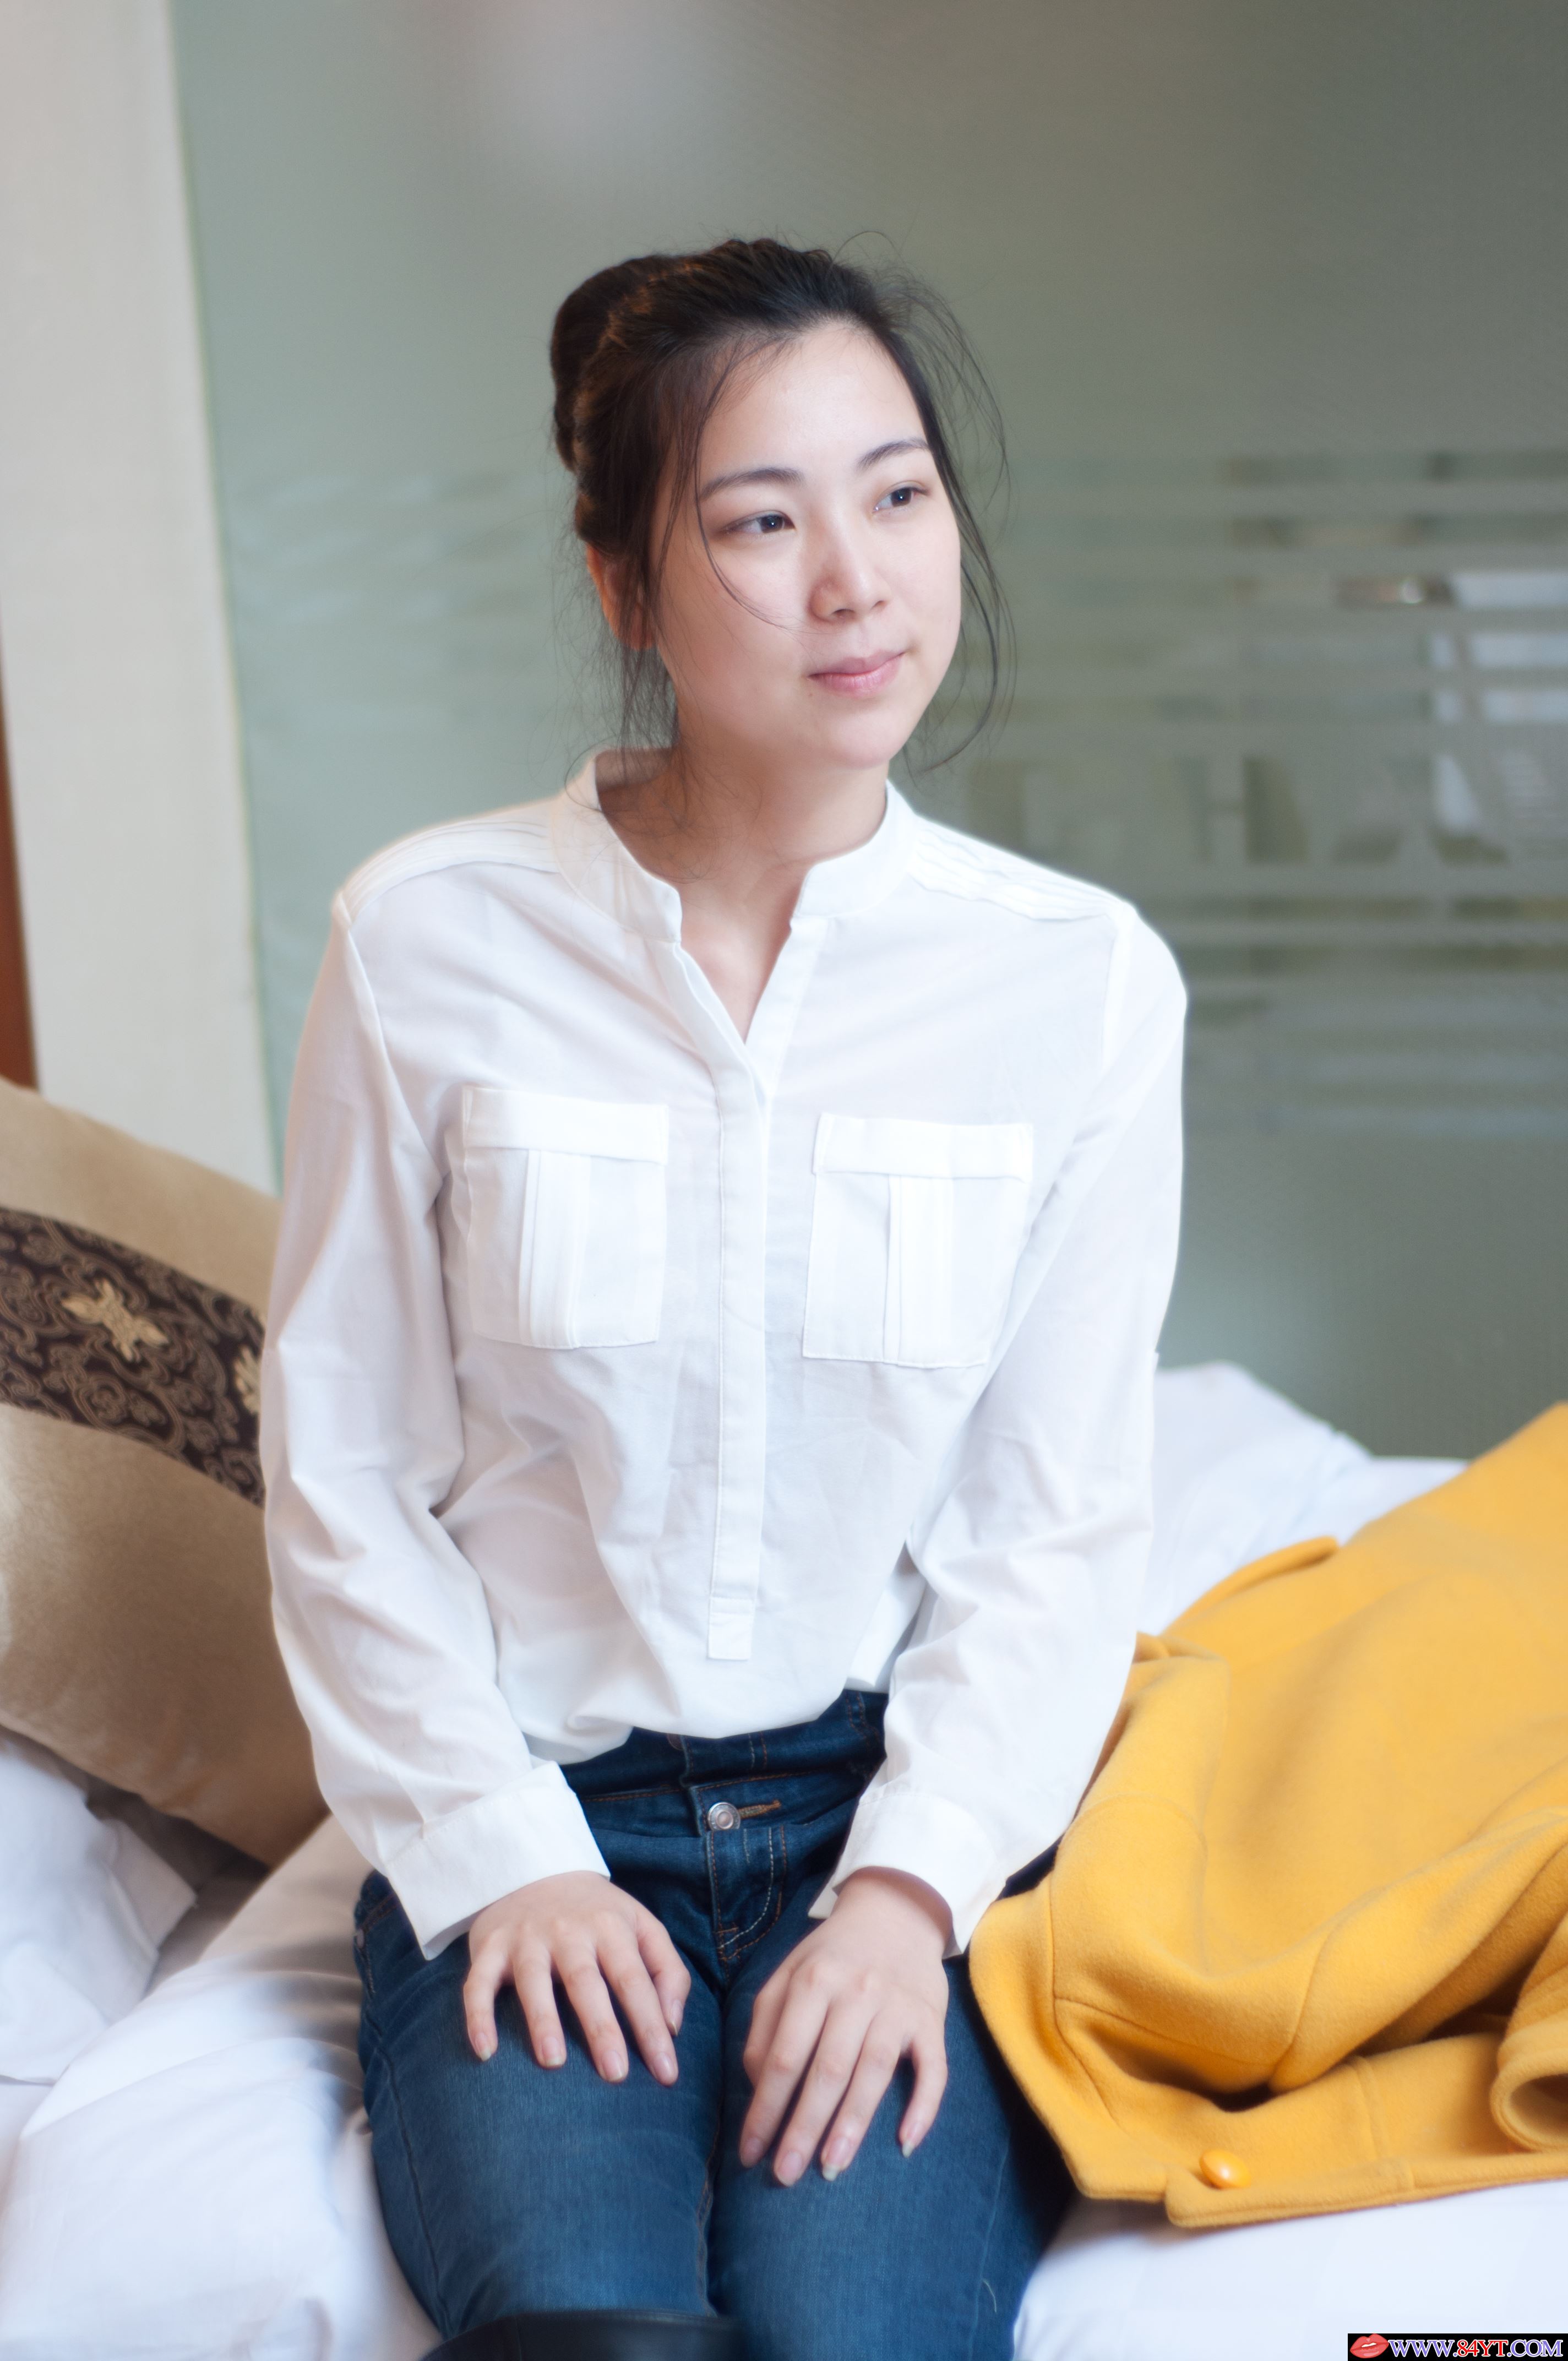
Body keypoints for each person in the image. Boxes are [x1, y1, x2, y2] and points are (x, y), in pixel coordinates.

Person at [262, 237, 1185, 2361]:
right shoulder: (425, 941)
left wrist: (912, 1896)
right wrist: (499, 1858)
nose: (858, 581)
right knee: (587, 2325)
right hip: (540, 1807)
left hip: (893, 1812)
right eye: (764, 523)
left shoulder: (1079, 988)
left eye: (899, 494)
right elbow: (343, 1468)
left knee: (857, 2337)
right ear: (626, 588)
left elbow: (1052, 1526)